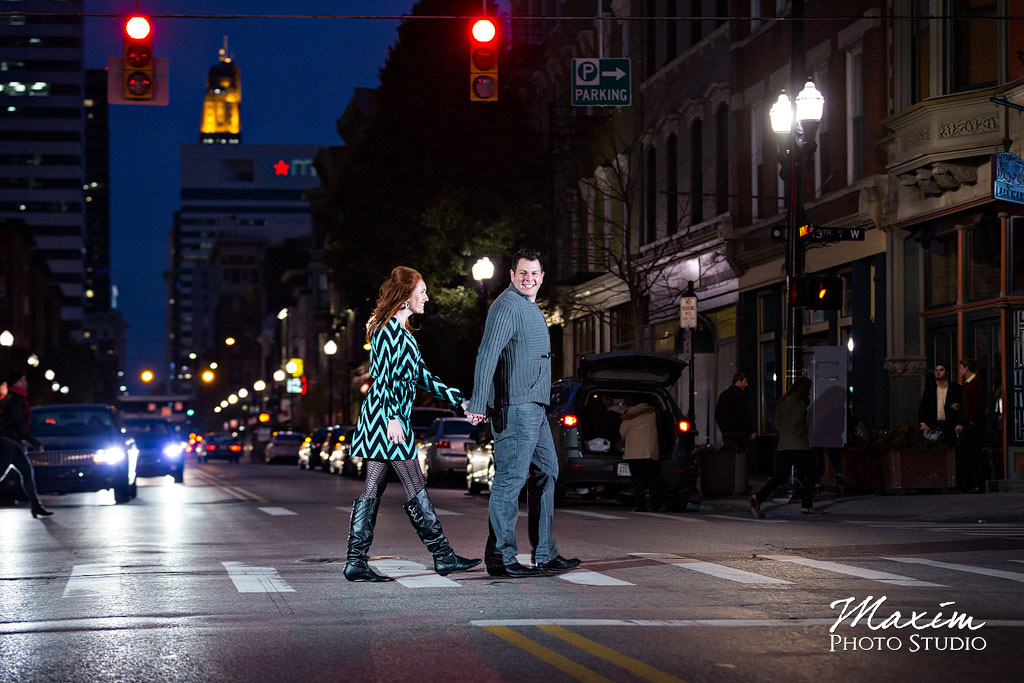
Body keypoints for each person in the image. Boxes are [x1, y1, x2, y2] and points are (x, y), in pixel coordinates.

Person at [343, 267, 480, 582]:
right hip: (387, 420)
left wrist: (460, 401)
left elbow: (423, 377)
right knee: (414, 484)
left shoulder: (404, 334)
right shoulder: (387, 329)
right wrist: (392, 416)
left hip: (384, 419)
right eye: (422, 292)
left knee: (373, 487)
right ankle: (442, 556)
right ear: (405, 296)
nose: (427, 298)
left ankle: (356, 561)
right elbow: (383, 375)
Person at [465, 247, 580, 578]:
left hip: (536, 407)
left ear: (542, 277)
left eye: (535, 274)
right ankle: (501, 557)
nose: (529, 279)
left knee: (548, 471)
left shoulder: (530, 307)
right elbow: (487, 354)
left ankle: (544, 553)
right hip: (515, 407)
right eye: (523, 273)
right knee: (510, 481)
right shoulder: (506, 307)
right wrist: (478, 402)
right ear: (512, 276)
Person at [749, 375, 816, 518]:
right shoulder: (800, 402)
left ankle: (758, 497)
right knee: (810, 473)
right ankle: (807, 505)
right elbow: (797, 422)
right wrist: (801, 432)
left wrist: (784, 433)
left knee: (780, 476)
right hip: (799, 445)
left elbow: (777, 421)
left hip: (784, 443)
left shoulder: (784, 400)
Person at [0, 369, 53, 518]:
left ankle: (36, 506)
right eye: (23, 380)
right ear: (17, 382)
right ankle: (36, 506)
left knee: (27, 473)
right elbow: (18, 425)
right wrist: (35, 442)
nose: (26, 383)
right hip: (9, 443)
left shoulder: (13, 398)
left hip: (13, 443)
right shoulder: (15, 400)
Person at [619, 397, 664, 511]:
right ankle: (656, 505)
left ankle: (641, 505)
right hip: (650, 452)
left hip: (635, 454)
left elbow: (622, 432)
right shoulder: (652, 412)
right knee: (653, 479)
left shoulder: (629, 415)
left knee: (638, 481)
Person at [955, 358, 987, 493]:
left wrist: (972, 421)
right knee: (967, 454)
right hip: (968, 424)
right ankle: (968, 483)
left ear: (967, 368)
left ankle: (977, 484)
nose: (960, 370)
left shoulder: (976, 382)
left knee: (974, 454)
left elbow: (978, 404)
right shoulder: (967, 383)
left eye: (961, 368)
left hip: (973, 425)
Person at [918, 362, 961, 443]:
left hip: (950, 426)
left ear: (947, 372)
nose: (938, 373)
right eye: (936, 370)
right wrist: (922, 423)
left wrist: (959, 423)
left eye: (941, 370)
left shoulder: (955, 388)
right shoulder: (930, 388)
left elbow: (960, 408)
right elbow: (922, 406)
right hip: (932, 425)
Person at [715, 372, 756, 450]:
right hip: (740, 432)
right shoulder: (741, 395)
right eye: (745, 381)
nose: (746, 384)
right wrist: (750, 431)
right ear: (738, 382)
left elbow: (717, 414)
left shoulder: (724, 394)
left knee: (730, 453)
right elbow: (744, 414)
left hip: (727, 432)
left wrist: (723, 429)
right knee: (742, 456)